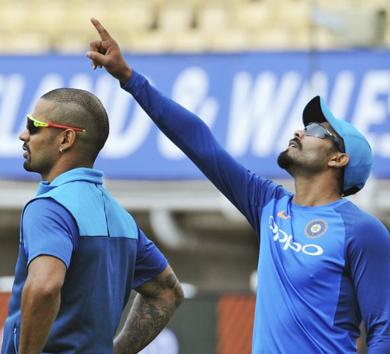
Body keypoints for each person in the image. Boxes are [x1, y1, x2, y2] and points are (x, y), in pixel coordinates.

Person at [86, 18, 390, 354]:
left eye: (317, 131)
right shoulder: (269, 204)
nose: (301, 132)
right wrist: (130, 78)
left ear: (339, 160)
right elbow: (199, 142)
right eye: (304, 126)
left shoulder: (363, 231)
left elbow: (383, 331)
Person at [1, 88, 184, 354]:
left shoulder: (48, 208)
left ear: (66, 138)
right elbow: (168, 293)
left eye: (34, 126)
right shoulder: (122, 218)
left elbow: (45, 287)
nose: (23, 134)